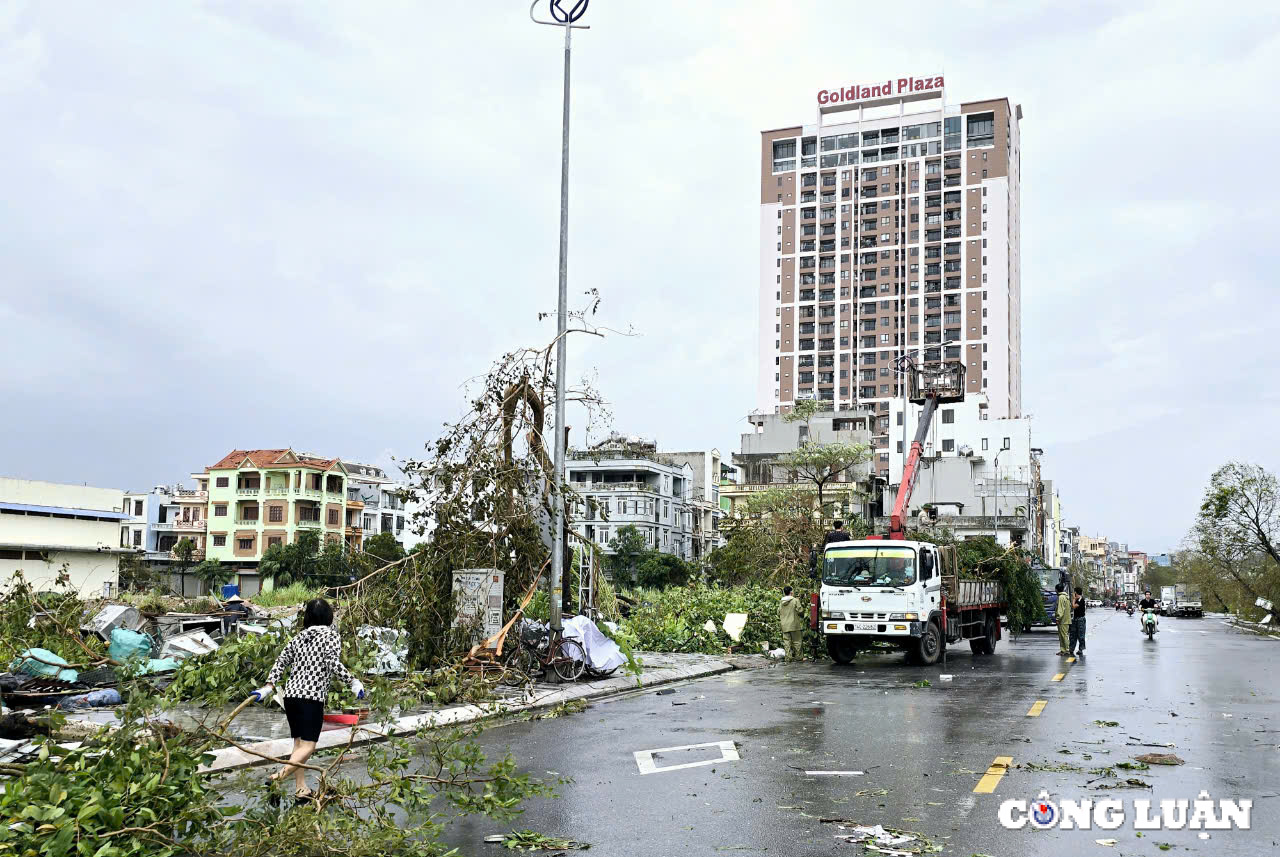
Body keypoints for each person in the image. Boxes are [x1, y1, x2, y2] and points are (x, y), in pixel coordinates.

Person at [251, 598, 365, 801]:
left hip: (291, 696)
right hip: (310, 697)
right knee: (309, 746)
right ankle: (277, 778)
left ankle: (301, 789)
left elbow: (281, 661)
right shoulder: (331, 636)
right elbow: (332, 662)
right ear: (328, 617)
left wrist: (269, 687)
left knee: (298, 744)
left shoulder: (298, 637)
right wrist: (353, 682)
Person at [779, 586, 808, 662]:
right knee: (797, 642)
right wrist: (802, 615)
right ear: (791, 592)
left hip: (784, 625)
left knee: (787, 642)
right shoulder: (795, 600)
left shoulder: (781, 602)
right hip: (794, 624)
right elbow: (800, 610)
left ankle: (788, 658)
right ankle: (799, 658)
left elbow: (778, 612)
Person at [1068, 586, 1086, 658]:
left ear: (1076, 593)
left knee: (1081, 635)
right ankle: (1071, 649)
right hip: (1075, 619)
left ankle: (1081, 649)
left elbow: (1074, 606)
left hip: (1080, 619)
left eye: (1074, 592)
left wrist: (1073, 599)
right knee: (1073, 634)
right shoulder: (1077, 599)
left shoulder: (1081, 599)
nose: (1073, 594)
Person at [1054, 583, 1071, 656]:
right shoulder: (1066, 596)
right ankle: (1063, 650)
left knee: (1063, 636)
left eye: (1055, 589)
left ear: (1057, 590)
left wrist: (1058, 618)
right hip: (1066, 619)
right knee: (1063, 635)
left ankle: (1066, 650)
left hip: (1062, 620)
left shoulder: (1061, 597)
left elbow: (1060, 609)